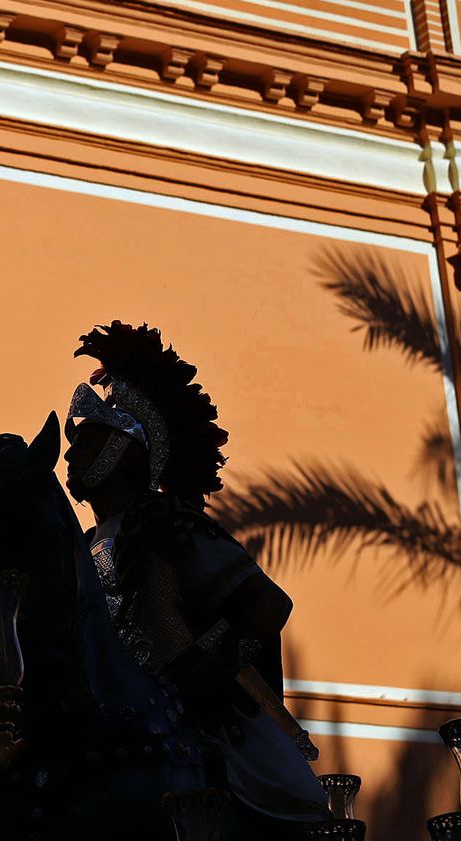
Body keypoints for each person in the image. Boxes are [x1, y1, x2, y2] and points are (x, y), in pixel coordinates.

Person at [63, 321, 328, 831]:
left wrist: (214, 665)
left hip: (193, 715)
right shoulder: (82, 545)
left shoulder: (169, 523)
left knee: (287, 804)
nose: (71, 453)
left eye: (88, 441)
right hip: (112, 712)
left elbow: (267, 605)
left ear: (125, 452)